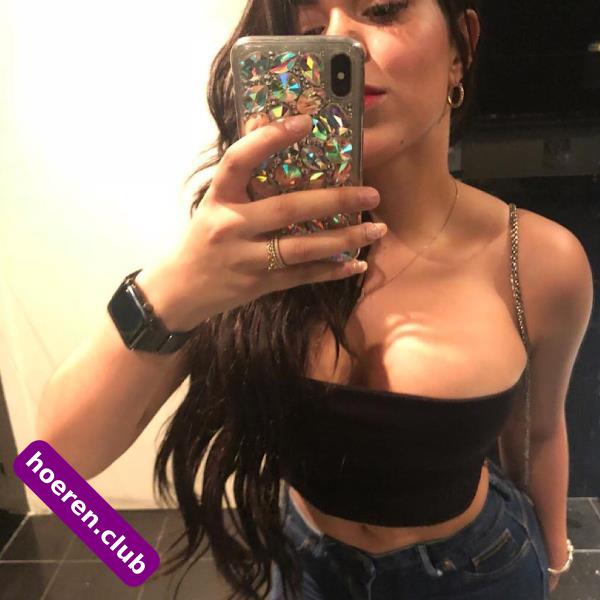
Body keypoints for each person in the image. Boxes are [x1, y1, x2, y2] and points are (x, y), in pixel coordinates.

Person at [37, 0, 593, 599]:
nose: (341, 43)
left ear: (461, 45)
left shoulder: (537, 258)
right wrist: (174, 285)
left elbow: (538, 432)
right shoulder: (244, 249)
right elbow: (52, 467)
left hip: (481, 571)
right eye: (306, 30)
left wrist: (554, 554)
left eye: (380, 9)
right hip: (305, 571)